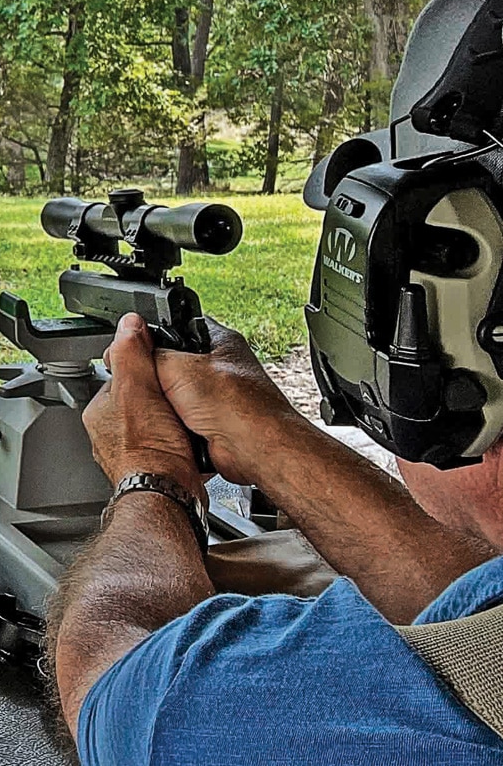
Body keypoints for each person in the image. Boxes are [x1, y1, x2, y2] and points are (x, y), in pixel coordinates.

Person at [51, 312, 503, 764]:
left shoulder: (233, 715)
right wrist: (263, 432)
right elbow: (475, 606)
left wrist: (151, 467)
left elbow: (113, 684)